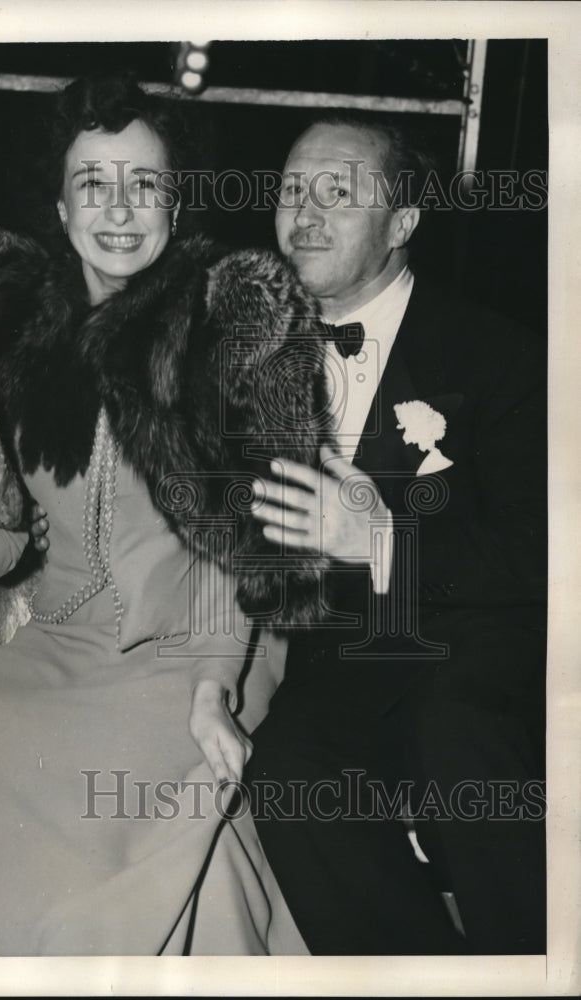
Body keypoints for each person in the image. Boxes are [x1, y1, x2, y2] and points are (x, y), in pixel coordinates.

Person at [0, 76, 322, 956]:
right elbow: (2, 553)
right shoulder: (30, 346)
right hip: (64, 640)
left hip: (203, 643)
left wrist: (214, 692)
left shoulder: (227, 323)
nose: (119, 209)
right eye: (94, 183)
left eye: (144, 184)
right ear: (62, 208)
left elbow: (249, 538)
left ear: (174, 205)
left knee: (113, 788)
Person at [244, 112, 547, 955]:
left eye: (337, 192)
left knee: (460, 744)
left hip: (474, 644)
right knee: (288, 773)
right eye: (291, 189)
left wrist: (380, 541)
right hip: (334, 655)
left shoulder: (503, 356)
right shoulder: (247, 355)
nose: (304, 212)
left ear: (403, 223)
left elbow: (543, 551)